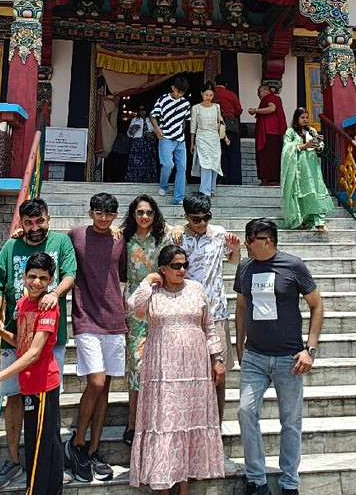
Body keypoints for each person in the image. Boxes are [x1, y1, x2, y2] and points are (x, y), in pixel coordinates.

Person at [0, 198, 76, 490]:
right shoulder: (12, 246)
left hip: (46, 340)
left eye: (40, 222)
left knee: (46, 409)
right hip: (15, 334)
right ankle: (14, 459)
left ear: (49, 218)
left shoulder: (61, 242)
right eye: (28, 223)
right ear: (20, 223)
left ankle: (46, 469)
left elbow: (70, 274)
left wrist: (55, 293)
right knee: (15, 398)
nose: (34, 229)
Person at [234, 218, 324, 495]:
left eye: (250, 238)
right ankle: (256, 478)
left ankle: (289, 481)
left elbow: (317, 305)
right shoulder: (245, 268)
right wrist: (239, 343)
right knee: (245, 411)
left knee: (290, 422)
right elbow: (240, 306)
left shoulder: (293, 266)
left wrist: (310, 350)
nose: (246, 243)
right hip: (255, 356)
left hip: (289, 358)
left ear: (267, 241)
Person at [128, 244, 226, 494]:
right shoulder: (154, 292)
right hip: (162, 370)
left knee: (188, 424)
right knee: (164, 424)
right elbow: (133, 307)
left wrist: (217, 358)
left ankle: (184, 486)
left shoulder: (196, 289)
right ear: (163, 268)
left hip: (194, 370)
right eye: (175, 266)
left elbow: (210, 325)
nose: (182, 270)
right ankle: (163, 485)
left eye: (185, 265)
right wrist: (149, 279)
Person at [0, 253, 65, 495]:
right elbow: (22, 344)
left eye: (43, 278)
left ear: (51, 280)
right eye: (32, 276)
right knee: (43, 446)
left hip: (43, 387)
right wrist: (0, 331)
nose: (36, 283)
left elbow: (34, 353)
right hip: (29, 385)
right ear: (23, 277)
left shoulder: (49, 308)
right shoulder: (23, 304)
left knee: (39, 451)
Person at [65, 193, 127, 483]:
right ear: (90, 212)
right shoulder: (75, 235)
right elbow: (49, 246)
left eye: (109, 214)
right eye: (99, 213)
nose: (104, 218)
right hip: (86, 317)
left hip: (115, 319)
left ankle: (93, 449)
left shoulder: (120, 239)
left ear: (115, 215)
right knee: (96, 381)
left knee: (107, 389)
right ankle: (76, 443)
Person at [171, 192, 240, 420]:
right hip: (186, 314)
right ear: (186, 217)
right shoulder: (178, 238)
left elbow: (234, 260)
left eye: (206, 217)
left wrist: (236, 248)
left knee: (218, 373)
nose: (201, 223)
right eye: (196, 219)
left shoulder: (219, 234)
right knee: (187, 372)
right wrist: (177, 228)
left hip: (216, 311)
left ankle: (216, 426)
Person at [121, 194, 167, 445]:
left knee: (160, 365)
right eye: (140, 212)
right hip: (134, 308)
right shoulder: (123, 238)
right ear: (133, 214)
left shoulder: (163, 236)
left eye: (149, 212)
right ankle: (132, 422)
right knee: (136, 366)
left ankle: (156, 420)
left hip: (160, 304)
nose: (145, 217)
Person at [281, 108, 334, 232]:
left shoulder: (312, 131)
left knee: (317, 191)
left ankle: (320, 222)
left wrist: (318, 145)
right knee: (301, 193)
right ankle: (302, 219)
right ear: (296, 119)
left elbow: (320, 148)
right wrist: (304, 146)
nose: (305, 120)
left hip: (312, 168)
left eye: (306, 117)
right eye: (302, 117)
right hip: (298, 169)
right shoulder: (290, 132)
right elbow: (286, 149)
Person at [151, 76, 192, 204]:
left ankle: (178, 197)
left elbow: (185, 120)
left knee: (182, 167)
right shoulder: (163, 100)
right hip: (166, 137)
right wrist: (157, 130)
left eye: (182, 93)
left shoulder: (185, 103)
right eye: (178, 91)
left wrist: (181, 131)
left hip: (180, 139)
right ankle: (163, 185)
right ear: (173, 88)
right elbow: (153, 115)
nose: (180, 94)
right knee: (168, 164)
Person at [191, 82, 227, 196]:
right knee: (205, 163)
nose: (208, 97)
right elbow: (193, 127)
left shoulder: (217, 107)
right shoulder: (196, 108)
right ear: (201, 94)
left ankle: (212, 188)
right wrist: (192, 143)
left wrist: (225, 137)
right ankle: (205, 190)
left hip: (214, 138)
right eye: (206, 95)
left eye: (211, 95)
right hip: (201, 137)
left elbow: (220, 122)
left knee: (215, 163)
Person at [248, 84, 286, 186]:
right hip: (273, 133)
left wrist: (256, 110)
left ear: (265, 91)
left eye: (259, 93)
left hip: (270, 133)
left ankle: (269, 179)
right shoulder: (274, 98)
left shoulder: (271, 98)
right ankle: (269, 179)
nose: (258, 96)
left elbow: (272, 108)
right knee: (269, 156)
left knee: (269, 156)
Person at [214, 74, 243, 185]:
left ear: (215, 83)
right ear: (226, 84)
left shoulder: (212, 93)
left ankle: (217, 179)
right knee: (233, 153)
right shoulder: (231, 94)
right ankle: (233, 180)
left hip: (215, 126)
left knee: (217, 154)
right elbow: (238, 110)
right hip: (230, 126)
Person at [125, 105, 159, 183]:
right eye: (140, 110)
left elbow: (158, 132)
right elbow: (129, 134)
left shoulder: (151, 120)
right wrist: (132, 129)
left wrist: (152, 135)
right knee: (136, 162)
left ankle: (149, 180)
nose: (142, 111)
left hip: (149, 144)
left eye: (143, 110)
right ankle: (135, 179)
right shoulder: (135, 120)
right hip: (137, 144)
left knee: (148, 162)